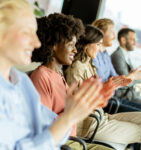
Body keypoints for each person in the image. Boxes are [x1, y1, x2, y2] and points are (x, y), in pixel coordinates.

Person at [0, 0, 111, 149]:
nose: (37, 43)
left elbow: (49, 125)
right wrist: (68, 117)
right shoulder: (35, 78)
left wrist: (78, 107)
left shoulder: (20, 81)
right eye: (26, 32)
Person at [30, 14, 113, 150]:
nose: (75, 50)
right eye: (70, 45)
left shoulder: (59, 74)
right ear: (54, 46)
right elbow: (43, 128)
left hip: (71, 139)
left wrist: (86, 102)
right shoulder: (41, 77)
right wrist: (74, 109)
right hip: (63, 143)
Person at [64, 24, 141, 150]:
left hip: (101, 115)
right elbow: (80, 104)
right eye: (98, 44)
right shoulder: (77, 68)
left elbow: (102, 88)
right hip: (90, 124)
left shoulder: (88, 64)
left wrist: (123, 80)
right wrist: (116, 83)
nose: (100, 49)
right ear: (87, 44)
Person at [92, 18, 141, 112]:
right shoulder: (97, 56)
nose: (115, 36)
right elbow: (105, 84)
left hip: (117, 97)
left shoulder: (105, 54)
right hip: (111, 100)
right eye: (112, 32)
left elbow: (117, 78)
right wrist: (134, 76)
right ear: (101, 33)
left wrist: (133, 75)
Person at [111, 28, 141, 103]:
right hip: (125, 97)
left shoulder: (125, 55)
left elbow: (132, 76)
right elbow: (127, 81)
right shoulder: (118, 56)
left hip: (131, 94)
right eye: (133, 39)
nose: (135, 43)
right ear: (123, 40)